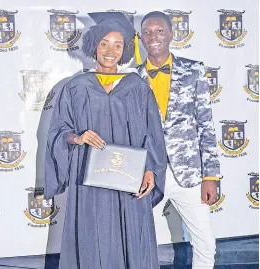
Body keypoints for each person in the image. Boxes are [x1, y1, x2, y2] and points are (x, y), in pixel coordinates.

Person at [44, 12, 167, 269]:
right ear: (93, 46)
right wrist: (77, 137)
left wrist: (151, 171)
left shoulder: (137, 86)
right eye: (104, 43)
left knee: (132, 237)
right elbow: (58, 130)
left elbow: (152, 134)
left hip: (129, 180)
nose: (110, 51)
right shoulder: (75, 87)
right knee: (92, 237)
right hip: (90, 181)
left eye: (118, 45)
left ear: (125, 50)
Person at [137, 11, 221, 269]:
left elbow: (206, 125)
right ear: (141, 37)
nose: (153, 36)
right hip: (148, 174)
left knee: (205, 244)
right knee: (136, 239)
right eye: (148, 32)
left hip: (189, 175)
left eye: (159, 31)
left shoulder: (194, 71)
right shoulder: (131, 79)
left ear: (171, 35)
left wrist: (211, 176)